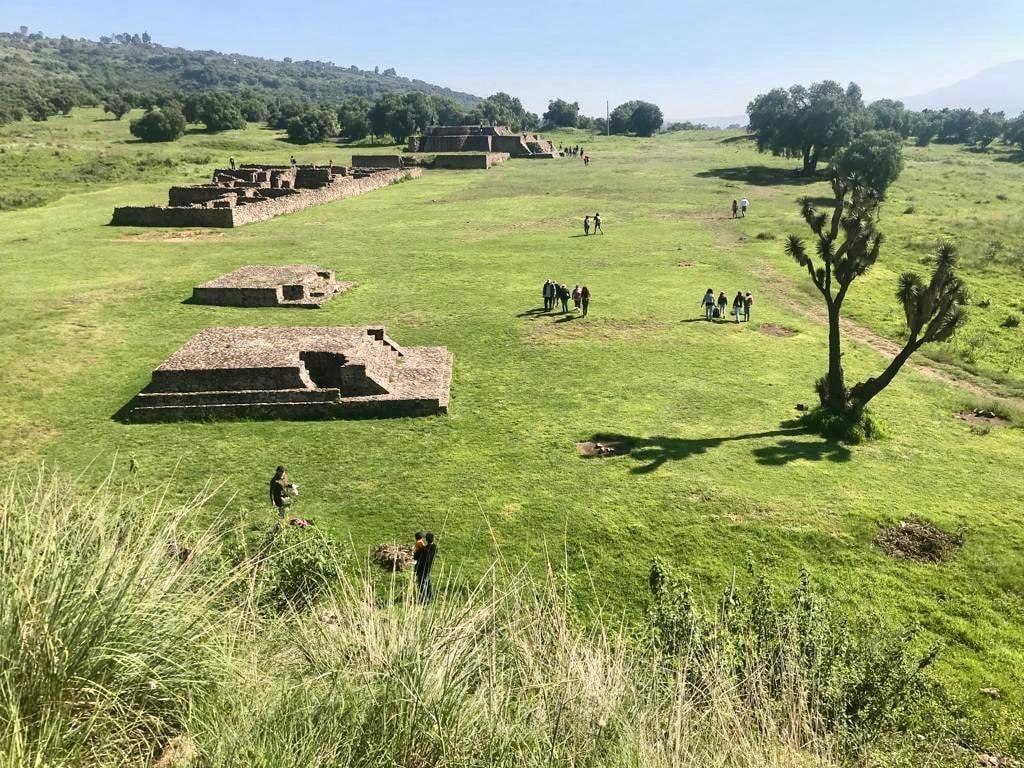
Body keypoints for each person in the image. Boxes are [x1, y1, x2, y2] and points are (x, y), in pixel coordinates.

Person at [415, 532, 437, 603]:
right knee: (428, 583)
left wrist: (418, 549)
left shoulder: (426, 549)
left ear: (426, 539)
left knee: (422, 583)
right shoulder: (434, 547)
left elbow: (418, 556)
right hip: (428, 568)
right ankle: (430, 596)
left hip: (423, 568)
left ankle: (424, 599)